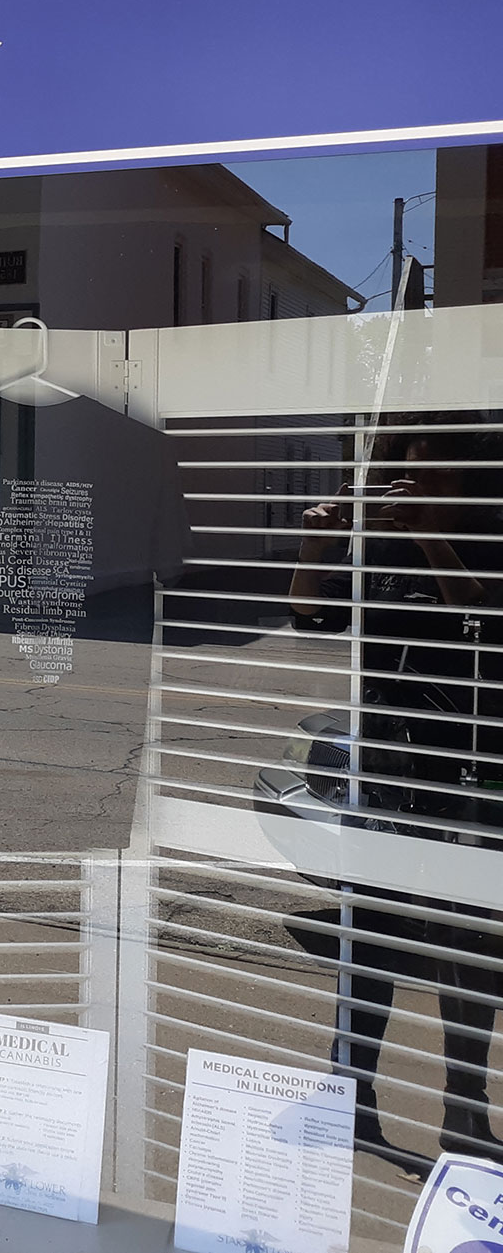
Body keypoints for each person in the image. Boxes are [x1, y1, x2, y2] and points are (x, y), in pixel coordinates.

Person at [290, 414, 503, 1163]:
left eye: (430, 478)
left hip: (466, 777)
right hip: (383, 773)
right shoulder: (379, 546)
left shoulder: (485, 542)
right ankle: (350, 1090)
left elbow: (479, 614)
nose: (410, 489)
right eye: (402, 475)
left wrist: (431, 535)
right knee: (368, 937)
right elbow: (308, 613)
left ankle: (464, 1111)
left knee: (464, 948)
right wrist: (319, 541)